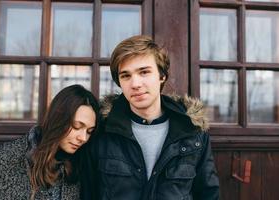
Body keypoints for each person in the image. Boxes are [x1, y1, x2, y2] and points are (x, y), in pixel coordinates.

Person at [89, 35, 219, 200]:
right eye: (126, 76)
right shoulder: (102, 129)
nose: (135, 84)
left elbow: (208, 194)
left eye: (144, 72)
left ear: (162, 76)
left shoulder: (193, 132)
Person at [0, 84, 99, 200]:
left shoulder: (81, 166)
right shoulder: (2, 160)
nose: (83, 138)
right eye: (76, 126)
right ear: (58, 119)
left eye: (89, 131)